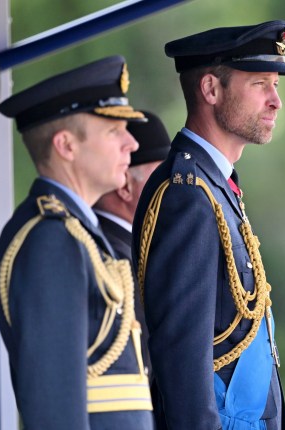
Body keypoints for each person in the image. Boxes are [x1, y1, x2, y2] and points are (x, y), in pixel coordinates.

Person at [132, 20, 285, 430]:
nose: (275, 101)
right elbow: (181, 362)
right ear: (210, 89)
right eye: (261, 84)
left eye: (275, 86)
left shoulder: (215, 184)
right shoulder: (187, 195)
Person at [0, 56, 155, 429]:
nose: (131, 144)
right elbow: (54, 406)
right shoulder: (52, 238)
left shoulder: (80, 234)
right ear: (66, 145)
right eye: (114, 132)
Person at [94, 110, 172, 379]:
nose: (175, 190)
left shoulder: (126, 248)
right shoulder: (116, 258)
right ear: (126, 184)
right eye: (164, 177)